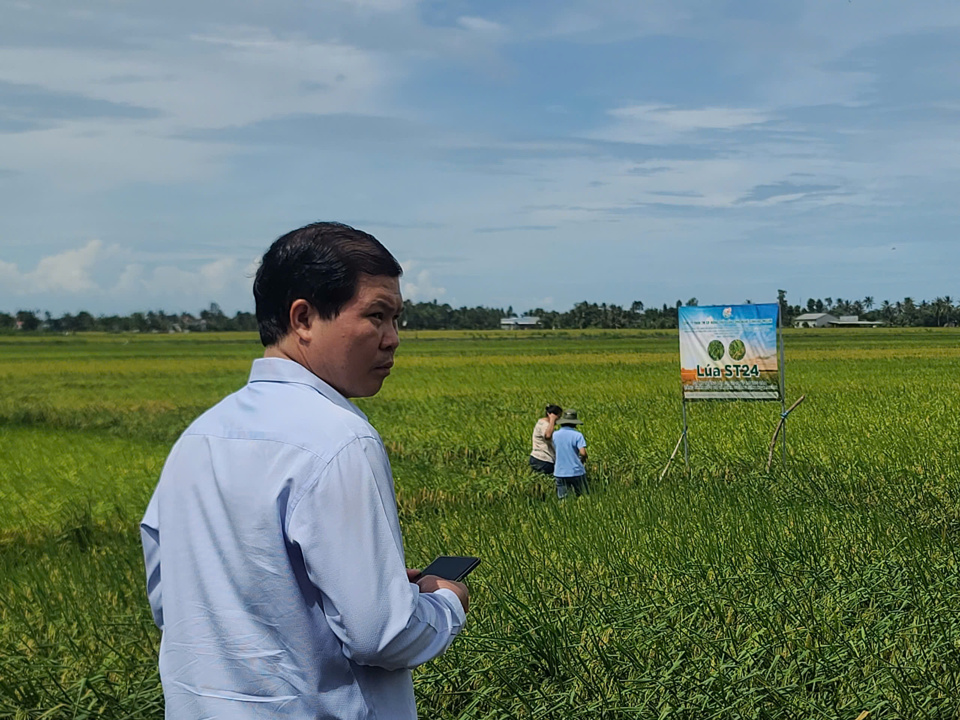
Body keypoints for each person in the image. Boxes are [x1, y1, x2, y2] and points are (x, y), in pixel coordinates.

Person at [140, 222, 469, 720]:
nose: (393, 340)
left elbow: (175, 600)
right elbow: (381, 635)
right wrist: (445, 604)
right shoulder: (339, 439)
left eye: (397, 319)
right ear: (304, 317)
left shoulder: (199, 436)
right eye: (377, 316)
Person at [552, 409, 588, 499]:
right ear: (574, 423)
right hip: (576, 471)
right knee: (583, 497)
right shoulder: (577, 435)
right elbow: (583, 453)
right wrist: (582, 461)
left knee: (563, 499)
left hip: (560, 471)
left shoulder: (554, 435)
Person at [529, 403, 562, 475]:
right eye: (558, 417)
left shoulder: (540, 422)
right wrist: (552, 420)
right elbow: (548, 436)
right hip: (544, 460)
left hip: (535, 457)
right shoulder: (545, 424)